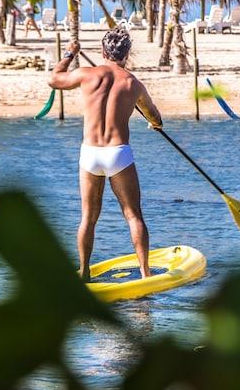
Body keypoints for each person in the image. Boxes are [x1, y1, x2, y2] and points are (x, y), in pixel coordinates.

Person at [48, 29, 163, 281]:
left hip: (89, 154)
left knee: (88, 218)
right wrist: (155, 123)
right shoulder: (133, 84)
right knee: (133, 215)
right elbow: (153, 114)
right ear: (127, 54)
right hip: (118, 154)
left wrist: (70, 53)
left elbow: (54, 79)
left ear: (103, 52)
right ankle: (145, 274)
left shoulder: (87, 75)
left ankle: (84, 272)